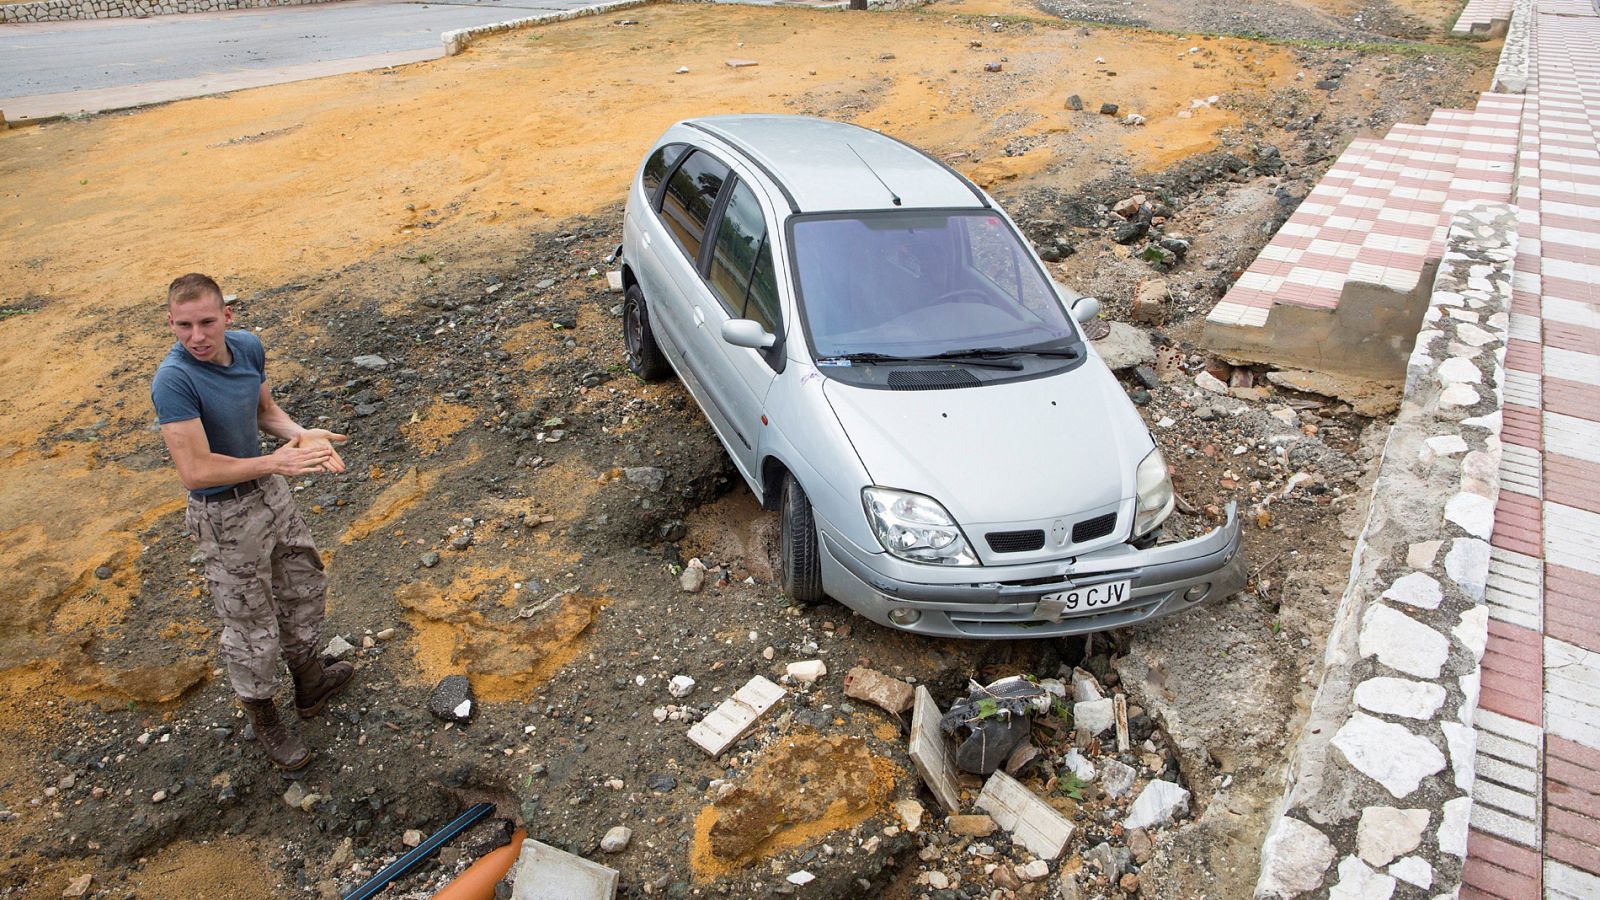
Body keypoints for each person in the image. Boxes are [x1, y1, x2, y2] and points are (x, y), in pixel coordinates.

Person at [151, 273, 354, 770]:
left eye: (206, 322)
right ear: (170, 323)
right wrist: (275, 461)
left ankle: (309, 682)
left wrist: (300, 434)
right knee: (249, 622)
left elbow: (264, 411)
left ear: (227, 316)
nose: (196, 336)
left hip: (270, 492)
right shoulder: (174, 381)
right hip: (223, 514)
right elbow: (195, 471)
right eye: (183, 326)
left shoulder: (246, 348)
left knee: (303, 584)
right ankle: (264, 716)